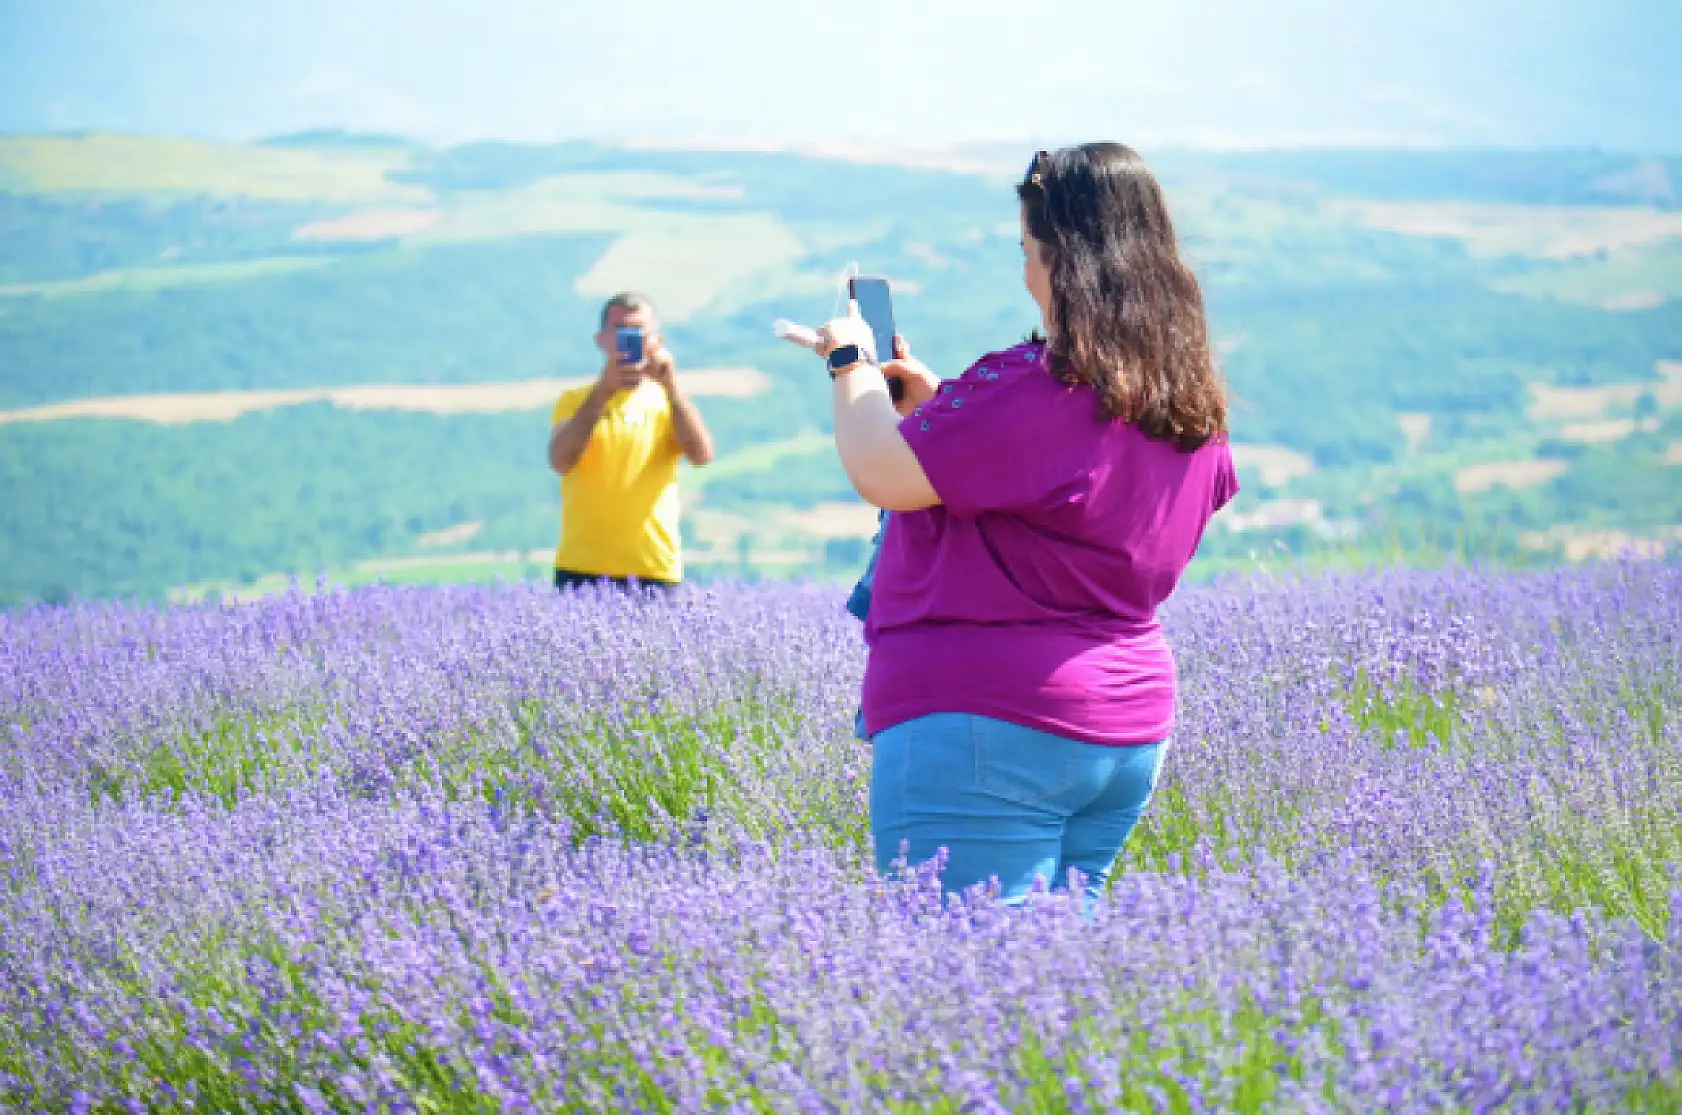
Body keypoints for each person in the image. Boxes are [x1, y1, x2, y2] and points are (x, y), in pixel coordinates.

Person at [813, 143, 1238, 911]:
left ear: (1063, 259)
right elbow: (1067, 496)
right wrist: (943, 408)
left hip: (989, 721)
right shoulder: (1185, 407)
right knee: (1047, 996)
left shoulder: (1040, 391)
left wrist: (851, 365)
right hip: (1127, 727)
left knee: (964, 996)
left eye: (1027, 250)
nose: (1026, 272)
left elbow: (878, 467)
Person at [546, 292, 715, 594]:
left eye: (639, 331)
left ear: (656, 340)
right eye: (620, 331)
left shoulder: (669, 402)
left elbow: (702, 455)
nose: (630, 339)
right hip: (582, 565)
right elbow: (560, 460)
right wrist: (602, 393)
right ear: (601, 340)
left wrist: (672, 388)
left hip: (653, 565)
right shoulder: (574, 401)